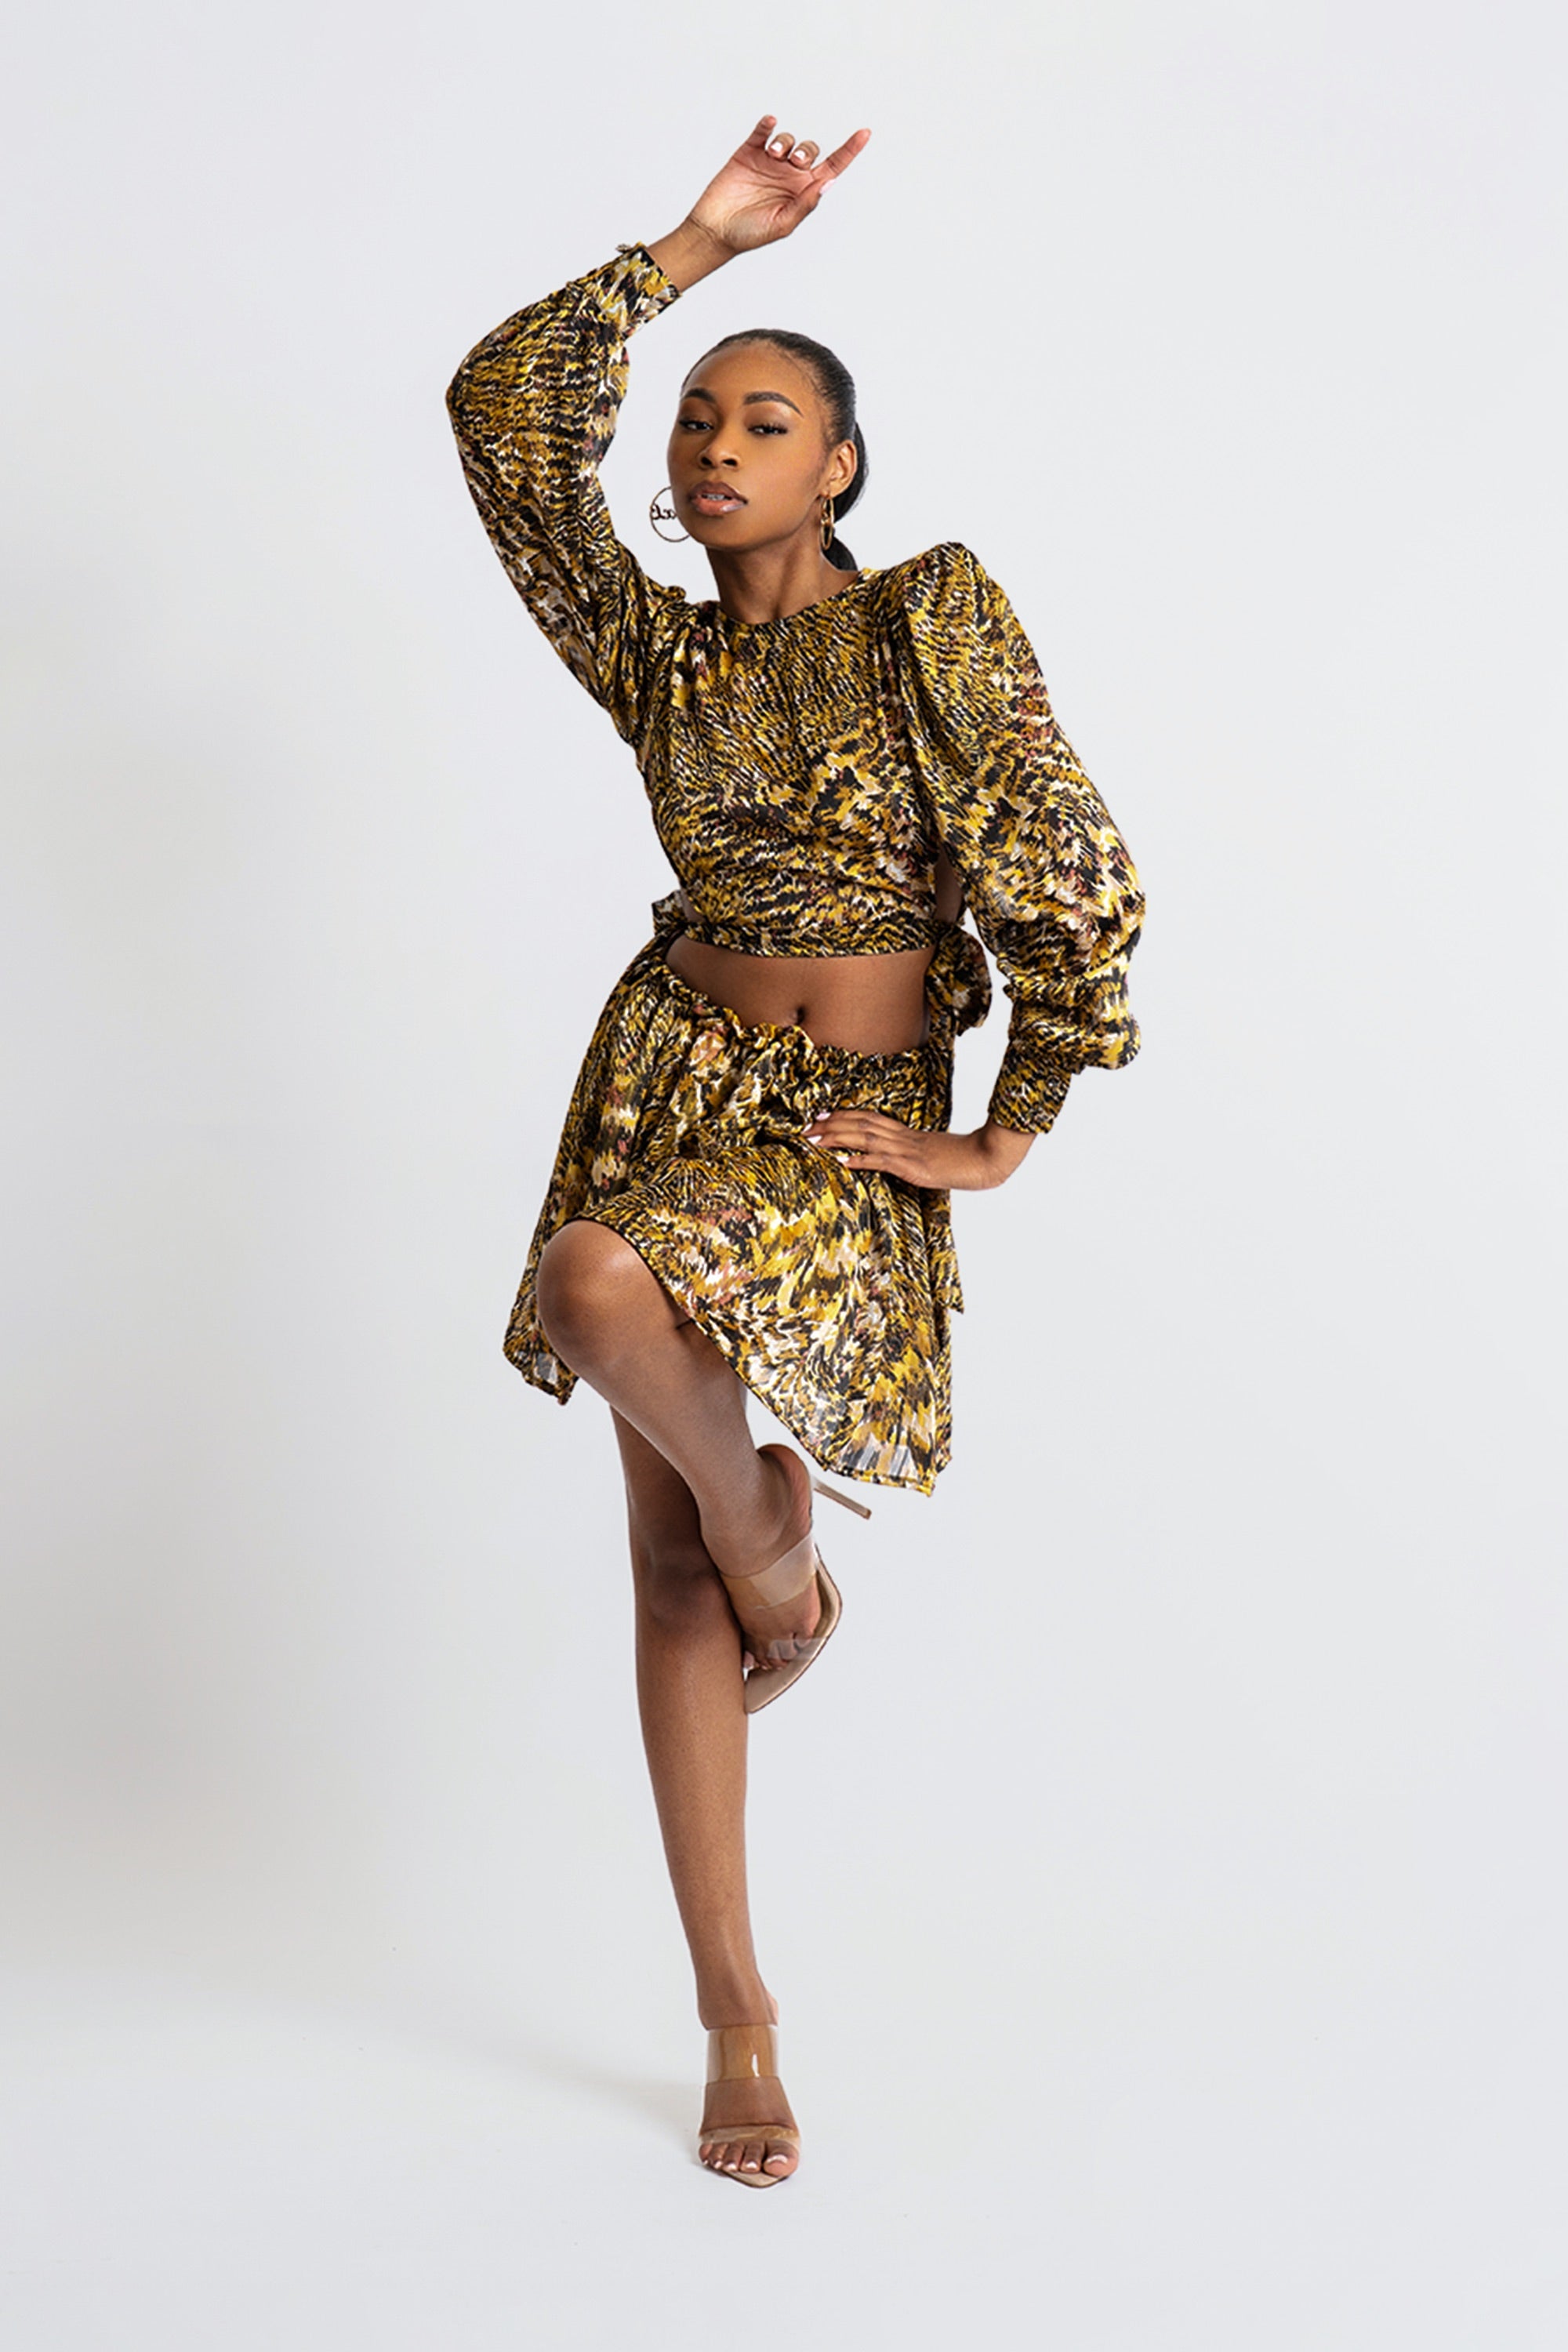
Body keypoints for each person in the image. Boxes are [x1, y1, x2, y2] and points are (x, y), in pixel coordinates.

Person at [445, 114, 1144, 2187]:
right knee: (659, 1551)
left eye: (764, 419)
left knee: (601, 1298)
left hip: (845, 1127)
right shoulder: (658, 656)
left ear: (838, 461)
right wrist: (684, 246)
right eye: (692, 422)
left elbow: (1069, 861)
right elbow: (498, 426)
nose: (711, 447)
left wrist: (1015, 1121)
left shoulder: (927, 616)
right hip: (671, 1073)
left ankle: (780, 1543)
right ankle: (737, 2013)